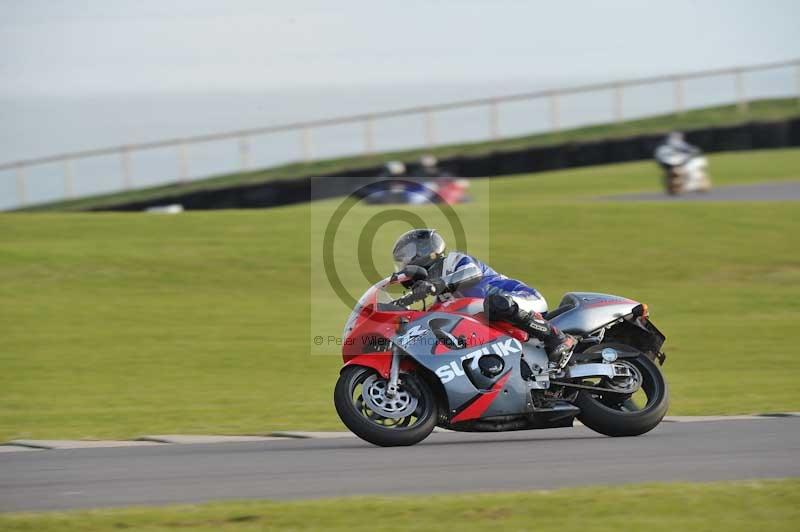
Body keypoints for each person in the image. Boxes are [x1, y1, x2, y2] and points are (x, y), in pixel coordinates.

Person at [392, 228, 576, 368]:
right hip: (500, 321)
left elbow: (472, 273)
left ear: (424, 250)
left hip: (521, 298)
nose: (405, 264)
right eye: (402, 262)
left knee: (494, 303)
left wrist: (436, 284)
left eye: (407, 257)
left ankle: (558, 338)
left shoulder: (453, 261)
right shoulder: (442, 298)